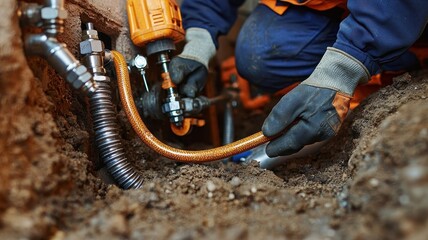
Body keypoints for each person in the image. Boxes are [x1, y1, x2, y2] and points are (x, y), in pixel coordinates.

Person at [168, 0, 428, 158]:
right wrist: (199, 40)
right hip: (330, 7)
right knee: (260, 53)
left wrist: (340, 72)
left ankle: (402, 61)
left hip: (404, 13)